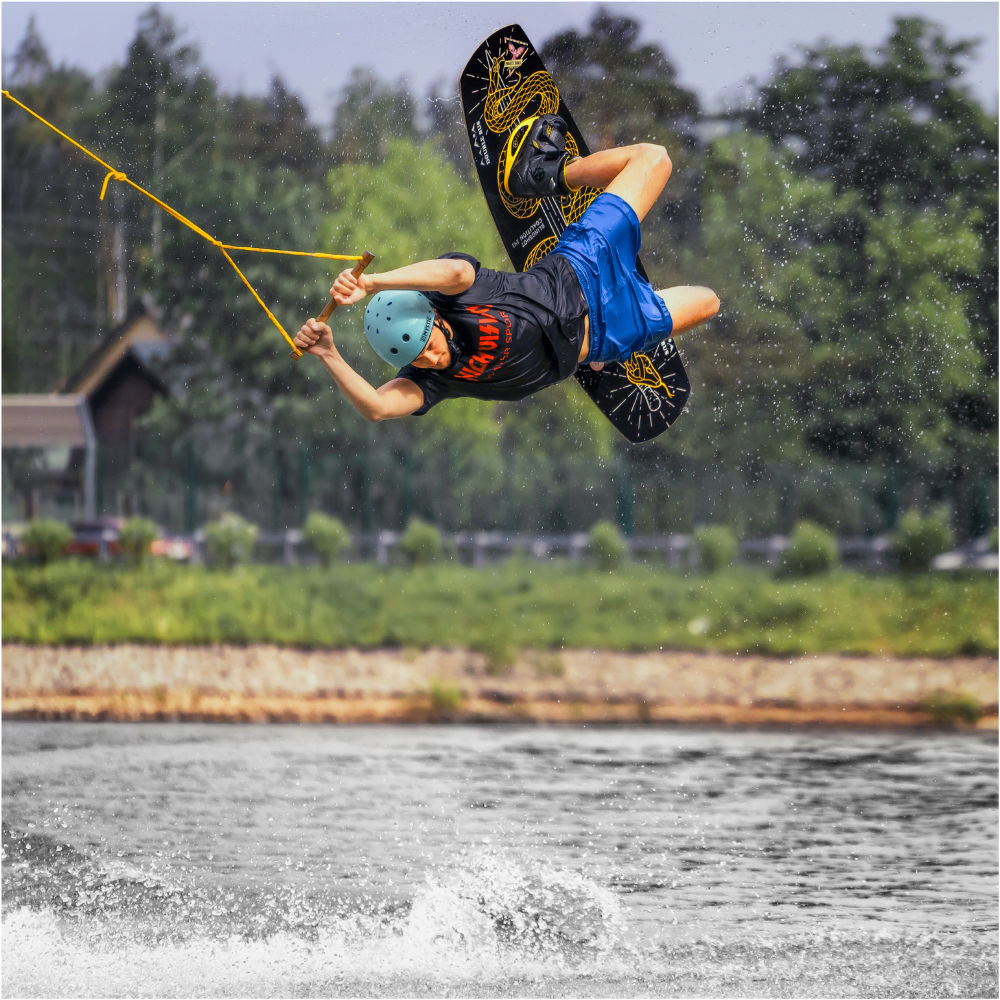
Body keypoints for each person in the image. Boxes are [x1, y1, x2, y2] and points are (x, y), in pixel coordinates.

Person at [293, 115, 720, 421]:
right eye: (417, 358)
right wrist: (329, 354)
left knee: (654, 159)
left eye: (427, 341)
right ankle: (603, 356)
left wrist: (372, 282)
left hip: (579, 265)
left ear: (434, 317)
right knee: (709, 302)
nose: (429, 356)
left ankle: (549, 172)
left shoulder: (454, 295)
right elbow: (377, 407)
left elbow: (457, 272)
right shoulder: (433, 382)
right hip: (603, 336)